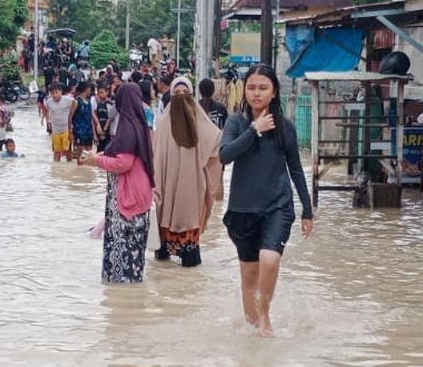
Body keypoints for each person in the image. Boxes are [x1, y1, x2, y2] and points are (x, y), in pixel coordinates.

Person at [219, 64, 314, 336]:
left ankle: (265, 316)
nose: (256, 93)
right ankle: (253, 333)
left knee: (270, 260)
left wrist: (307, 210)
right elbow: (224, 155)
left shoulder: (286, 128)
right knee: (248, 278)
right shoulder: (236, 122)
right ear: (244, 90)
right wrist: (254, 129)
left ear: (274, 92)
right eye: (251, 87)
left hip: (277, 206)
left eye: (263, 88)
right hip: (242, 210)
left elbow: (296, 169)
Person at [79, 82, 154, 284]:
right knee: (133, 253)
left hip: (128, 197)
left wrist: (96, 160)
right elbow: (120, 152)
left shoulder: (127, 126)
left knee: (123, 253)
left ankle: (121, 298)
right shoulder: (138, 123)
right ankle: (127, 299)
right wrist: (99, 156)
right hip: (139, 194)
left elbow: (123, 162)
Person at [152, 76, 223, 268]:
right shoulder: (164, 124)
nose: (181, 97)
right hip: (167, 188)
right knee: (162, 265)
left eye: (185, 93)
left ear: (192, 95)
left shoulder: (201, 124)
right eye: (176, 94)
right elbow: (156, 158)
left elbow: (216, 144)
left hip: (192, 187)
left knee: (190, 262)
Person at [44, 83, 75, 162]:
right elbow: (47, 111)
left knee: (67, 150)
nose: (54, 95)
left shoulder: (68, 100)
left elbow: (76, 103)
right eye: (52, 93)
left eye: (56, 92)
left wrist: (72, 115)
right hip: (55, 130)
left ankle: (69, 166)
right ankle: (56, 169)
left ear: (61, 92)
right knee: (56, 151)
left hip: (66, 129)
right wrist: (48, 122)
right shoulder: (49, 102)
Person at [71, 81, 96, 159]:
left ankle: (86, 171)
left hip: (88, 132)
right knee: (80, 156)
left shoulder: (89, 102)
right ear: (86, 89)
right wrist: (70, 132)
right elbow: (70, 117)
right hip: (79, 132)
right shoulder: (76, 101)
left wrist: (94, 133)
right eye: (89, 89)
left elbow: (90, 118)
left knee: (88, 156)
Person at [92, 83, 116, 152]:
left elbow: (110, 119)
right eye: (99, 93)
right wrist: (95, 135)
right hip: (99, 131)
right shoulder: (96, 104)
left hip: (108, 133)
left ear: (107, 92)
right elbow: (93, 119)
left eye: (102, 92)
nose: (100, 95)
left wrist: (104, 131)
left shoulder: (110, 103)